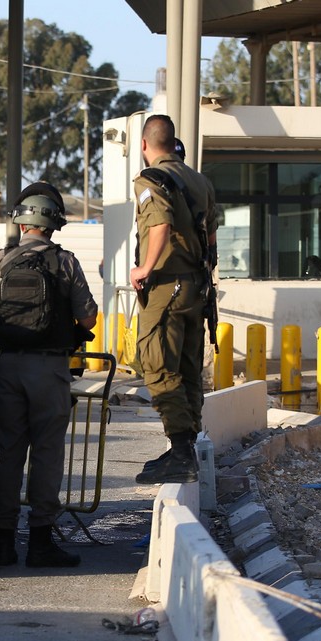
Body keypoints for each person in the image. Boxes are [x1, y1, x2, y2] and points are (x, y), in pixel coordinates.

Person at [0, 181, 98, 568]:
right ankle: (40, 543)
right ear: (53, 223)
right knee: (47, 454)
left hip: (9, 366)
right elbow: (88, 316)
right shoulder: (65, 262)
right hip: (49, 369)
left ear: (22, 220)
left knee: (9, 455)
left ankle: (2, 544)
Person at [129, 114, 219, 485]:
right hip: (196, 287)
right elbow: (211, 238)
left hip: (166, 284)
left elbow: (160, 224)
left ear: (146, 145)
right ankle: (185, 446)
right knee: (187, 367)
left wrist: (144, 268)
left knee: (156, 363)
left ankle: (181, 451)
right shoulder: (199, 180)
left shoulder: (150, 180)